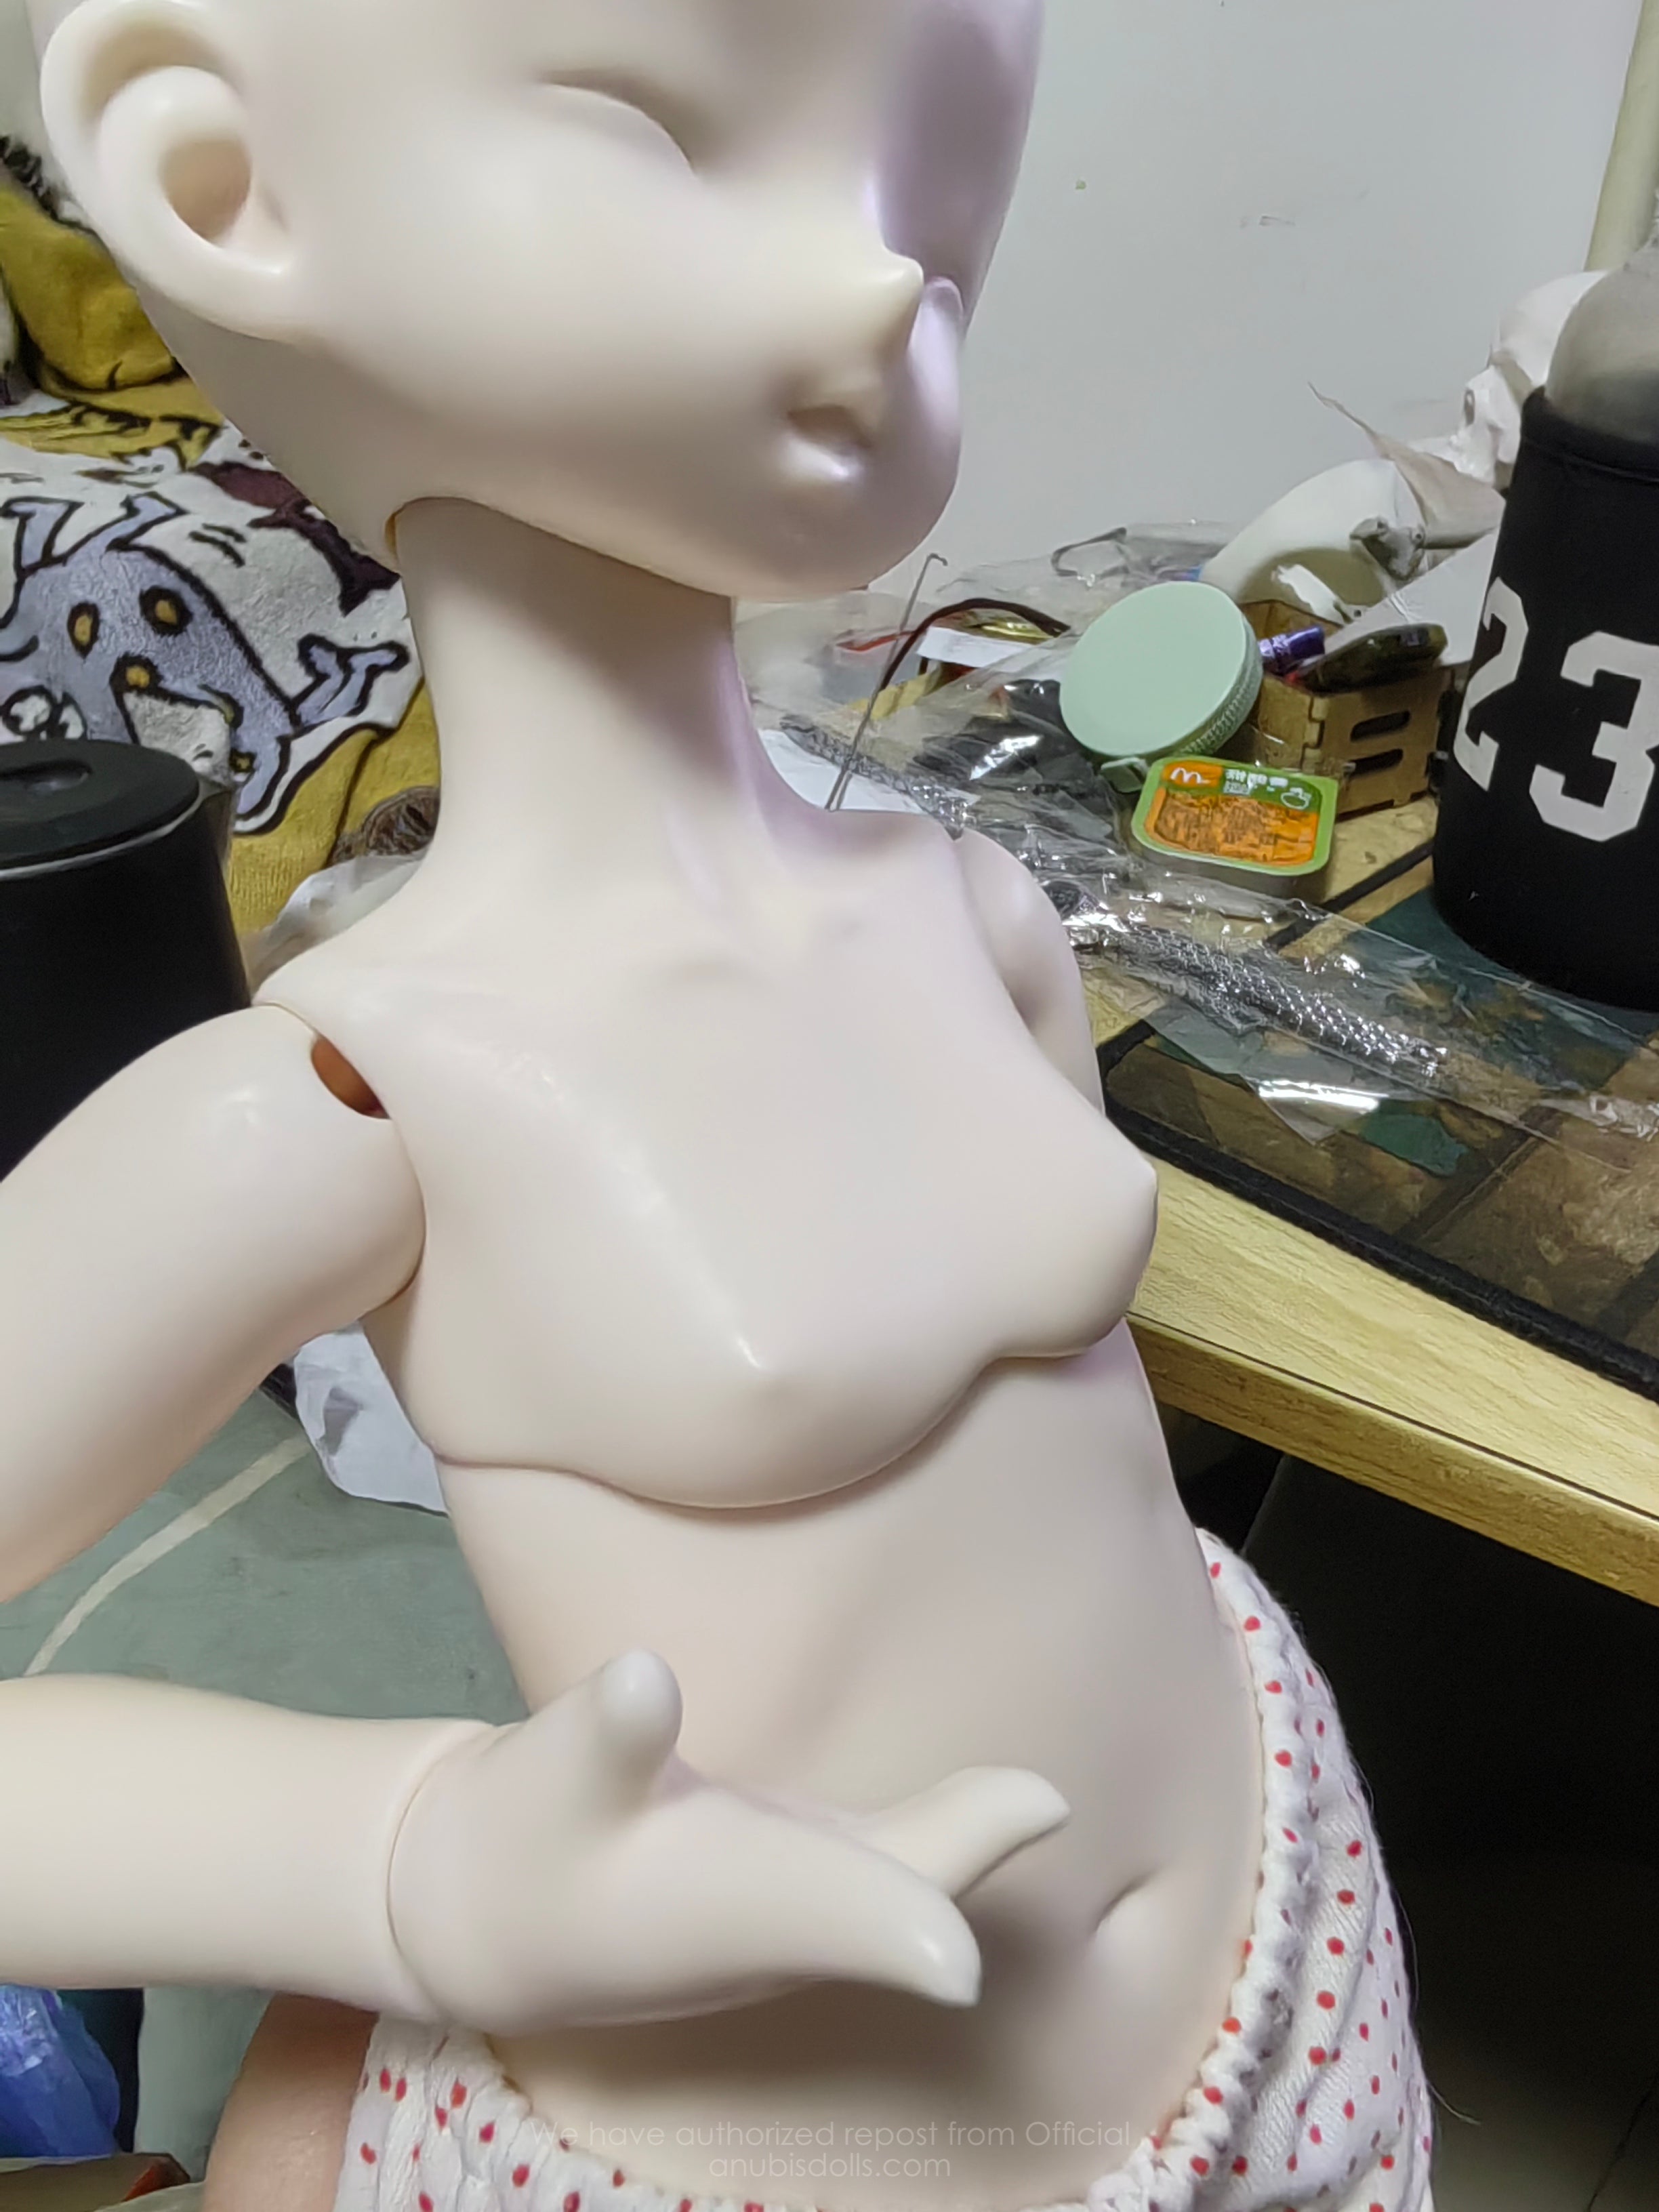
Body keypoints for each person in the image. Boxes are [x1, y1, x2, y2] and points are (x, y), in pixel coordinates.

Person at [5, 5, 1431, 2210]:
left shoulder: (974, 911)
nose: (879, 285)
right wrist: (394, 1860)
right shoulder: (353, 1094)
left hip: (1295, 1962)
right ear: (215, 180)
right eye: (669, 134)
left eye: (939, 209)